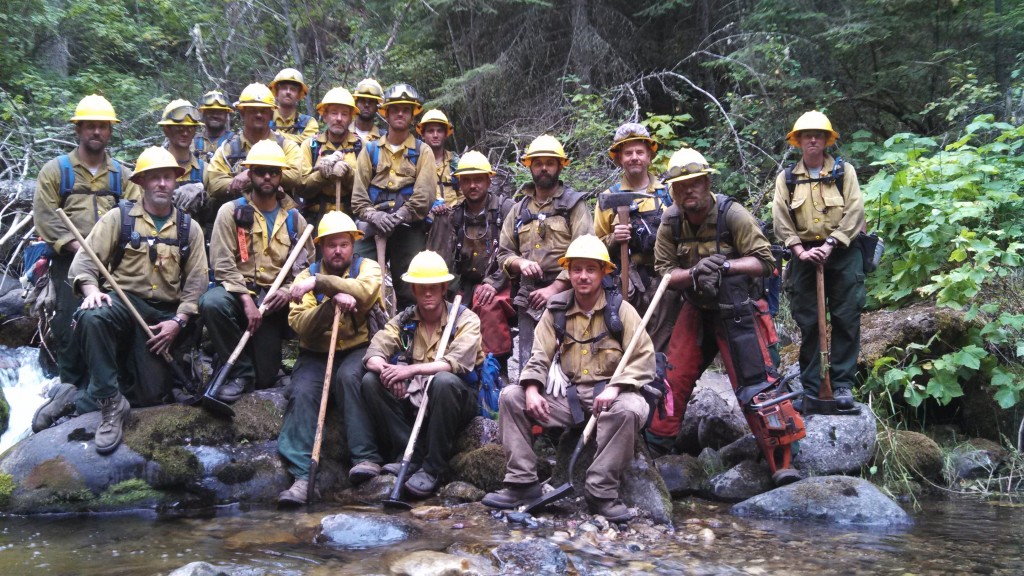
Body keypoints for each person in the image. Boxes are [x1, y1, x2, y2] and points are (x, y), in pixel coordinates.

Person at [651, 148, 803, 485]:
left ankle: (781, 460)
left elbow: (766, 262)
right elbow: (664, 273)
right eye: (680, 185)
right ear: (672, 190)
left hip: (739, 311)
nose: (687, 190)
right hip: (696, 308)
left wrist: (725, 266)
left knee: (757, 384)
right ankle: (654, 451)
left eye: (694, 183)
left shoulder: (732, 214)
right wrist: (694, 274)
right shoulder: (670, 220)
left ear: (706, 182)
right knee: (671, 378)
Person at [482, 235, 655, 522]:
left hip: (613, 395)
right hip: (570, 399)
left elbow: (644, 358)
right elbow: (539, 355)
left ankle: (601, 492)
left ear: (603, 272)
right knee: (512, 397)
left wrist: (616, 388)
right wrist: (533, 388)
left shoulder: (620, 310)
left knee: (629, 409)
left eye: (591, 269)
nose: (583, 276)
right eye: (576, 269)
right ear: (569, 272)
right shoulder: (556, 310)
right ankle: (522, 483)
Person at [59, 147, 207, 453]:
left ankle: (78, 397)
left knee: (151, 396)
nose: (162, 184)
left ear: (176, 181)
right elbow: (84, 266)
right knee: (93, 315)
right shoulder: (119, 219)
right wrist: (92, 292)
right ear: (141, 182)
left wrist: (178, 322)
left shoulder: (188, 228)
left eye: (167, 177)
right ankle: (110, 405)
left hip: (161, 317)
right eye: (155, 178)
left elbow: (196, 285)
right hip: (122, 305)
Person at [346, 250, 483, 499]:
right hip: (415, 398)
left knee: (443, 382)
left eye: (433, 287)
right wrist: (390, 372)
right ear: (413, 290)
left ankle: (433, 468)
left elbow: (456, 363)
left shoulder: (465, 319)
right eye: (421, 288)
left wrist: (409, 370)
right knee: (371, 380)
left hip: (455, 400)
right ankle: (408, 453)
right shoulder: (405, 320)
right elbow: (375, 351)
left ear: (444, 288)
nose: (427, 293)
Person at [31, 95, 141, 386]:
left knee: (110, 322)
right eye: (90, 126)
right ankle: (69, 390)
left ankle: (107, 388)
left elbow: (136, 216)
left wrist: (109, 250)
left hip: (113, 265)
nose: (96, 132)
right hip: (68, 264)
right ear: (77, 130)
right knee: (69, 325)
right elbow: (45, 217)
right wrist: (78, 247)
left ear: (110, 131)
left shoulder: (124, 175)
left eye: (103, 126)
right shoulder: (55, 171)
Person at [276, 211, 383, 505]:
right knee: (301, 392)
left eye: (344, 245)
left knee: (350, 378)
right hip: (316, 352)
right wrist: (330, 303)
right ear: (321, 247)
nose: (338, 251)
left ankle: (366, 458)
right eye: (331, 245)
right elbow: (300, 324)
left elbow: (365, 292)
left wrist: (322, 284)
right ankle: (301, 477)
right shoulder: (303, 277)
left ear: (353, 245)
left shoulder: (368, 267)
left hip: (357, 347)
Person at [199, 139, 314, 402]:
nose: (267, 177)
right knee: (212, 302)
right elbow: (222, 264)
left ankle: (280, 367)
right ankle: (239, 372)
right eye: (260, 170)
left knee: (265, 377)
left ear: (281, 176)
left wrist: (286, 292)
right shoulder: (230, 213)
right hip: (239, 298)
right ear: (249, 173)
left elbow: (305, 269)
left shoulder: (296, 220)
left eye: (273, 172)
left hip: (274, 304)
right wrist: (246, 300)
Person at [773, 111, 866, 410]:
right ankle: (812, 388)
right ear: (797, 141)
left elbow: (855, 211)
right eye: (806, 135)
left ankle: (841, 385)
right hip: (803, 255)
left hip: (842, 253)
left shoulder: (844, 171)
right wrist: (799, 251)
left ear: (827, 140)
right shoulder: (787, 178)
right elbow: (780, 218)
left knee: (846, 317)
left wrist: (831, 244)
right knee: (809, 322)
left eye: (818, 134)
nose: (813, 139)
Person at [495, 134, 593, 373]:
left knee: (568, 361)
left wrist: (555, 289)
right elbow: (504, 254)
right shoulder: (518, 210)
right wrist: (519, 263)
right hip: (528, 293)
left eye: (550, 163)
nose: (544, 168)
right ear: (529, 166)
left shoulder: (574, 206)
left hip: (571, 293)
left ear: (560, 166)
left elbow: (588, 253)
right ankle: (529, 401)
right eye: (538, 163)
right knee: (530, 358)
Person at [350, 83, 436, 311]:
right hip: (372, 227)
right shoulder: (369, 151)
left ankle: (407, 336)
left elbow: (425, 196)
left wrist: (398, 217)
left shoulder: (422, 151)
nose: (400, 113)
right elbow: (358, 199)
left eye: (405, 109)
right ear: (386, 113)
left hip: (408, 226)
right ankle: (365, 337)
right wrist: (376, 217)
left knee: (412, 285)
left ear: (412, 114)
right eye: (395, 109)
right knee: (358, 278)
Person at [593, 123, 679, 351]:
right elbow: (594, 248)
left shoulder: (668, 194)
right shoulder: (609, 197)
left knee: (664, 343)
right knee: (629, 340)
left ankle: (660, 382)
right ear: (619, 158)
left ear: (649, 157)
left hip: (665, 282)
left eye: (640, 152)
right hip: (626, 283)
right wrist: (613, 239)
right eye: (628, 153)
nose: (634, 158)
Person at [428, 151, 515, 367]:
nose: (472, 185)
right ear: (459, 183)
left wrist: (494, 283)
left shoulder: (507, 210)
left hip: (502, 279)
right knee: (446, 308)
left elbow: (517, 252)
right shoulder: (453, 215)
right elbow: (441, 259)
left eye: (478, 179)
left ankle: (495, 365)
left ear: (488, 180)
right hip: (465, 283)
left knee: (488, 304)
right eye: (466, 180)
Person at [207, 83, 302, 229]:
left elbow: (295, 174)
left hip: (279, 223)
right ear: (242, 113)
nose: (259, 115)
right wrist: (267, 179)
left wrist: (248, 175)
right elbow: (214, 183)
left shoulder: (286, 146)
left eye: (263, 111)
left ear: (271, 114)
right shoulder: (227, 149)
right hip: (236, 223)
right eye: (253, 110)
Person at [299, 87, 362, 223]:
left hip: (351, 219)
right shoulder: (310, 146)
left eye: (344, 114)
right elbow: (302, 188)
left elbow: (366, 188)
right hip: (315, 219)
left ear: (351, 117)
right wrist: (322, 175)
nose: (339, 119)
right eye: (334, 113)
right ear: (325, 115)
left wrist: (348, 173)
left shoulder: (362, 146)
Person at [159, 99, 208, 221]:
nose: (185, 133)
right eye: (179, 128)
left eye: (190, 128)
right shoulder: (153, 168)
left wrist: (201, 195)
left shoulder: (205, 170)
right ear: (166, 130)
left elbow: (213, 211)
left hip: (195, 238)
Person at [417, 109, 460, 207]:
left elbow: (464, 194)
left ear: (446, 134)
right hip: (424, 218)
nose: (435, 135)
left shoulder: (455, 162)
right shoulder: (415, 161)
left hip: (454, 217)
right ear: (423, 135)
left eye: (439, 131)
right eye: (430, 131)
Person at [269, 68, 319, 144]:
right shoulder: (265, 118)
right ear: (276, 92)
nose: (288, 92)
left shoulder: (308, 122)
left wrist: (275, 135)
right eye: (284, 88)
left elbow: (310, 142)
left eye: (293, 89)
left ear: (299, 95)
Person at [194, 90, 234, 163]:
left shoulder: (236, 143)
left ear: (226, 115)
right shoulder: (193, 143)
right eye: (211, 111)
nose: (215, 115)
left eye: (220, 112)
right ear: (204, 113)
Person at [350, 78, 386, 144]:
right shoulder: (343, 134)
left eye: (371, 101)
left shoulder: (384, 139)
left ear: (377, 106)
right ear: (356, 103)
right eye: (362, 100)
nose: (366, 105)